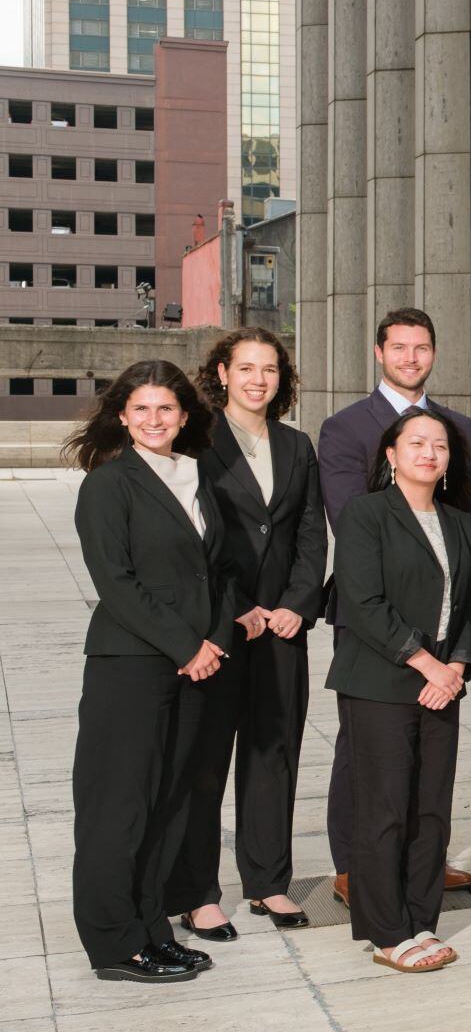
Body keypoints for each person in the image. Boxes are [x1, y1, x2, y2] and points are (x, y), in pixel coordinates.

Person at [67, 361, 238, 983]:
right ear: (122, 416)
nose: (154, 420)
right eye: (141, 409)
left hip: (195, 666)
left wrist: (214, 641)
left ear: (185, 415)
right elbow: (116, 584)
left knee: (169, 803)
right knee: (120, 806)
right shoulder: (108, 485)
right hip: (132, 665)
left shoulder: (198, 478)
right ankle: (114, 943)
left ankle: (152, 929)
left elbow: (217, 572)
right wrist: (185, 644)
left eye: (166, 409)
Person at [317, 308, 471, 904]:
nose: (411, 358)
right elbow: (348, 519)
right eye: (400, 348)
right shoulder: (345, 426)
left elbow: (464, 517)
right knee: (365, 746)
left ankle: (419, 863)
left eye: (422, 348)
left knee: (429, 751)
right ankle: (356, 866)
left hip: (442, 608)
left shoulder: (456, 426)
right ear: (379, 354)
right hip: (375, 615)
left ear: (434, 353)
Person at [170, 329, 327, 940]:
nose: (259, 379)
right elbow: (193, 536)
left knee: (274, 757)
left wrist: (295, 604)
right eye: (247, 368)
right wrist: (238, 607)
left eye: (269, 369)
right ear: (223, 372)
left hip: (283, 630)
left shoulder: (296, 444)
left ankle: (268, 883)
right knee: (205, 762)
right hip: (219, 625)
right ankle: (197, 893)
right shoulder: (195, 441)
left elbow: (311, 532)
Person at [327, 407, 471, 973]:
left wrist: (458, 666)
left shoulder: (460, 522)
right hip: (381, 681)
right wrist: (426, 663)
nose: (429, 453)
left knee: (431, 810)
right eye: (416, 443)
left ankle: (422, 919)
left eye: (439, 446)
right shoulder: (366, 515)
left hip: (443, 683)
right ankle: (387, 931)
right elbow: (363, 602)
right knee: (386, 808)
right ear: (390, 456)